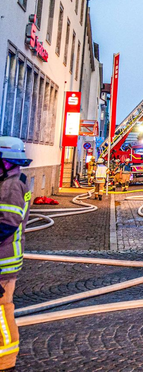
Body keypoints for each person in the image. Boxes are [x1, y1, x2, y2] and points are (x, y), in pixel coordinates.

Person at [0, 137, 33, 371]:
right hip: (5, 256)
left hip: (3, 258)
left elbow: (7, 222)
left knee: (2, 310)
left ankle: (5, 360)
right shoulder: (13, 179)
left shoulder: (11, 185)